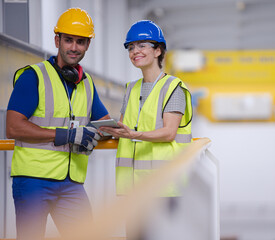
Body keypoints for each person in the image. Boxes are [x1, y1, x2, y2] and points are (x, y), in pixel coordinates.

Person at [6, 8, 110, 240]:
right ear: (57, 40)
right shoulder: (33, 76)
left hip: (71, 183)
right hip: (33, 180)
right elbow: (13, 127)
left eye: (80, 42)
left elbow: (104, 121)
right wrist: (66, 135)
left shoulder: (86, 83)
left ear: (87, 45)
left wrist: (125, 127)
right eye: (69, 40)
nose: (74, 47)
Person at [100, 20, 193, 198]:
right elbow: (124, 127)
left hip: (164, 187)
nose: (135, 51)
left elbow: (169, 133)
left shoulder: (173, 87)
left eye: (142, 45)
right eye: (131, 47)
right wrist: (107, 131)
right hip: (132, 187)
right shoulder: (131, 88)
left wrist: (135, 135)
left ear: (158, 50)